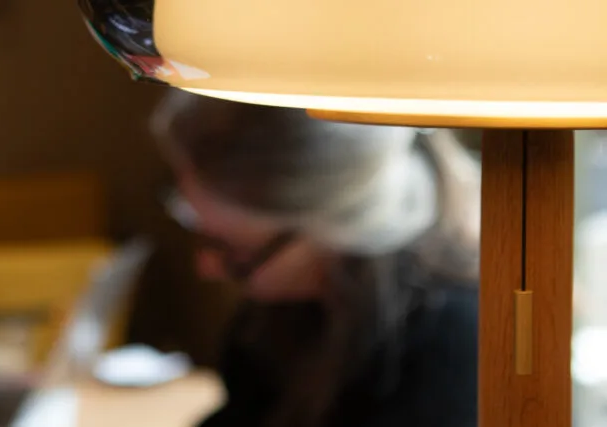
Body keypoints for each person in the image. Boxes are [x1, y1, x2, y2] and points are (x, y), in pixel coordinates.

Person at [152, 90, 480, 427]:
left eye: (234, 250)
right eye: (193, 222)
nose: (206, 268)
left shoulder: (448, 349)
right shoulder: (280, 316)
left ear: (340, 228)